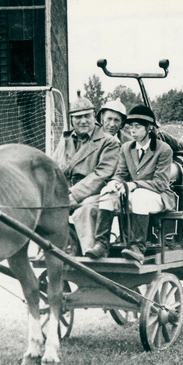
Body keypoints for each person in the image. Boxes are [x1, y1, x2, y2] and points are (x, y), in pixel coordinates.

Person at [85, 105, 176, 262]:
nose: (132, 131)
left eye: (138, 127)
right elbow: (121, 174)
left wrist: (134, 185)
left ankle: (137, 247)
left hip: (159, 197)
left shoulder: (164, 149)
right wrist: (114, 183)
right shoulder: (126, 148)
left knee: (139, 195)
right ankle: (102, 244)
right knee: (107, 192)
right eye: (131, 127)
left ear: (149, 129)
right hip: (133, 195)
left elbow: (161, 183)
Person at [53, 93, 120, 254]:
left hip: (98, 194)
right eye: (78, 117)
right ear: (71, 120)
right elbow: (54, 169)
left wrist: (73, 195)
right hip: (68, 193)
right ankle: (55, 251)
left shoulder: (108, 141)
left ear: (94, 117)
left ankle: (91, 258)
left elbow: (101, 174)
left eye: (87, 116)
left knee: (85, 210)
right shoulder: (66, 140)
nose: (83, 121)